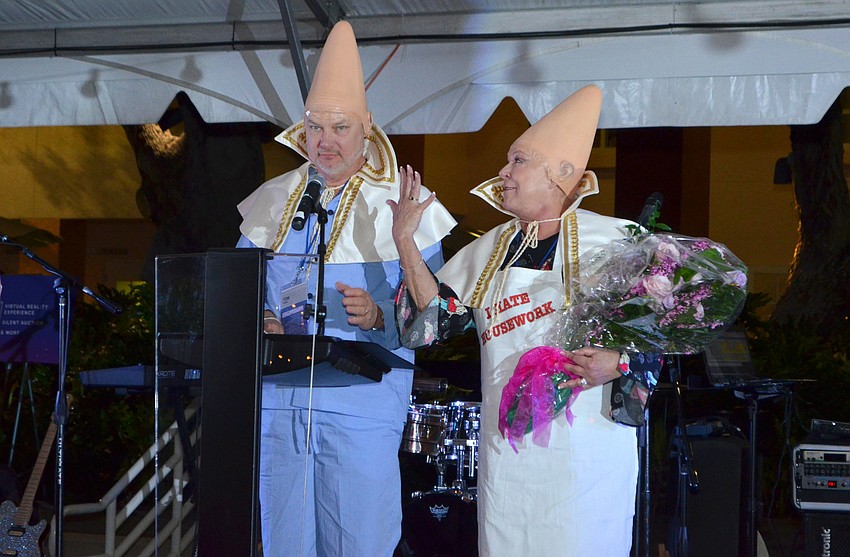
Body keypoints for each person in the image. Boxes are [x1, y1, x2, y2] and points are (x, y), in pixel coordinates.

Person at [389, 85, 662, 556]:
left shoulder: (618, 240)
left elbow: (667, 333)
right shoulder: (487, 248)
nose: (502, 171)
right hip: (507, 458)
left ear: (560, 174)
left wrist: (619, 362)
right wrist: (405, 241)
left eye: (517, 161)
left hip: (585, 454)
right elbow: (431, 322)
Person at [236, 21, 456, 557]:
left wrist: (380, 315)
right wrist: (254, 318)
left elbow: (437, 319)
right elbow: (236, 288)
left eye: (340, 127)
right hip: (279, 398)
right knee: (285, 540)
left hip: (361, 401)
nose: (326, 141)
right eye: (316, 127)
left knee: (357, 539)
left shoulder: (404, 203)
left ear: (366, 130)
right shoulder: (273, 199)